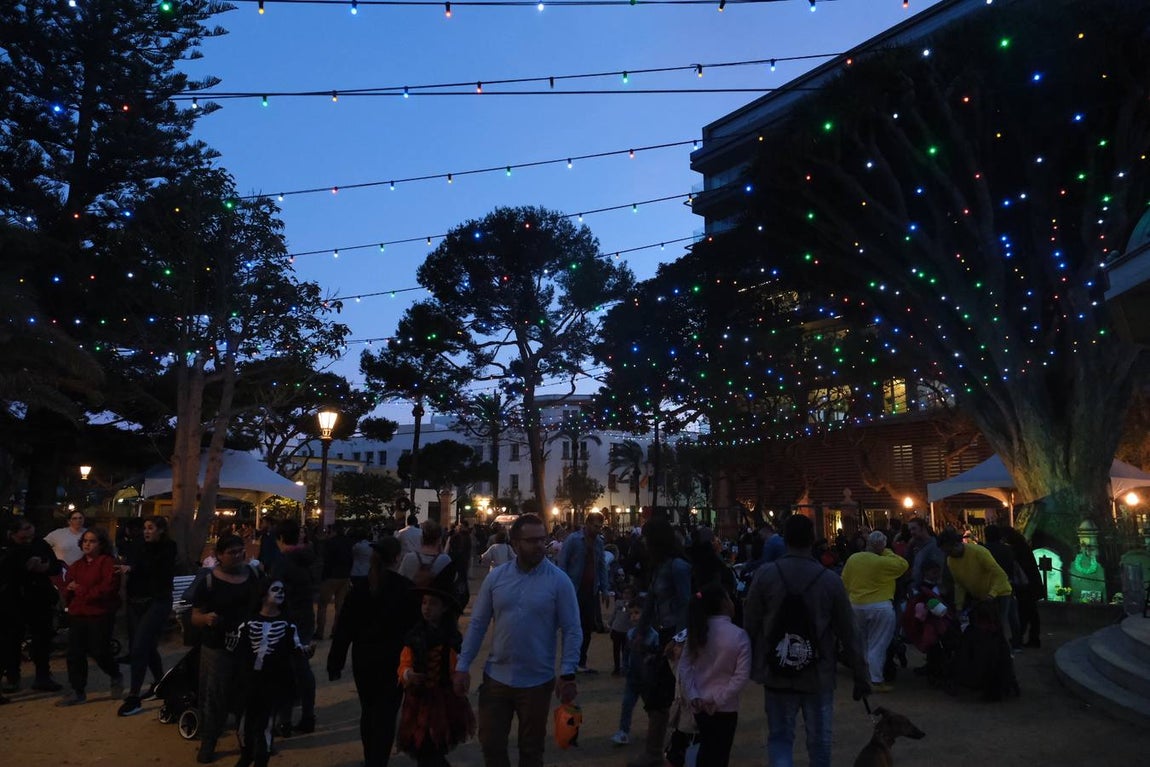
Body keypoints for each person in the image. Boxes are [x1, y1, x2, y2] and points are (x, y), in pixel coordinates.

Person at [451, 513, 582, 767]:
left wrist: (567, 672)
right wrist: (462, 665)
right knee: (490, 743)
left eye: (542, 540)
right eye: (531, 540)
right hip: (496, 678)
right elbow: (478, 624)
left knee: (531, 750)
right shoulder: (496, 578)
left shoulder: (559, 581)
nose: (539, 546)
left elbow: (572, 628)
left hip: (537, 681)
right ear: (515, 543)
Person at [743, 514, 869, 767]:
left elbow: (750, 624)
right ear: (812, 540)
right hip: (817, 672)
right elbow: (849, 632)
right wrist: (860, 673)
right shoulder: (830, 580)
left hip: (777, 669)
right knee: (820, 741)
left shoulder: (766, 575)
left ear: (784, 539)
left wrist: (751, 665)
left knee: (780, 737)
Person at [328, 536, 421, 767]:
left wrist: (336, 661)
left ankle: (371, 756)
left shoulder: (361, 588)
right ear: (397, 557)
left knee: (368, 710)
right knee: (386, 714)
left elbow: (344, 628)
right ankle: (378, 759)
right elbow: (415, 629)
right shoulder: (405, 588)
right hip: (394, 659)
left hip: (364, 657)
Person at [187, 534, 261, 764]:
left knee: (247, 694)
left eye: (240, 551)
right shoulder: (208, 581)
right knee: (214, 696)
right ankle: (209, 741)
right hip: (217, 647)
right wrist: (206, 618)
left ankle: (249, 742)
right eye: (232, 552)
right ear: (219, 555)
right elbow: (194, 616)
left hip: (249, 645)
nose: (238, 556)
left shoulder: (255, 575)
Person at [628, 516, 692, 767]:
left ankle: (658, 753)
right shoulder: (660, 566)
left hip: (676, 636)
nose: (642, 542)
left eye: (646, 537)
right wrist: (642, 631)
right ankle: (658, 752)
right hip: (666, 633)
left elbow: (686, 605)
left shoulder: (677, 567)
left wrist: (679, 639)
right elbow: (652, 603)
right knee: (659, 694)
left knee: (666, 695)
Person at [396, 586, 476, 767]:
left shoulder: (452, 638)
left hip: (444, 698)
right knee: (422, 746)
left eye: (433, 604)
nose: (427, 607)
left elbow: (458, 666)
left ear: (444, 608)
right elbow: (404, 662)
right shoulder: (414, 635)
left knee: (433, 746)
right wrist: (408, 674)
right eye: (424, 603)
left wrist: (460, 679)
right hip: (419, 698)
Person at [232, 578, 307, 767]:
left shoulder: (288, 625)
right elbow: (238, 651)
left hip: (273, 682)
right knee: (243, 725)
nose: (281, 593)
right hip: (249, 682)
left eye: (282, 590)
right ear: (263, 594)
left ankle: (261, 760)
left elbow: (297, 647)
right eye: (276, 589)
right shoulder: (247, 623)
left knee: (265, 725)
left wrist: (305, 651)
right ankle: (246, 754)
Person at [678, 583, 751, 767]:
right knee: (720, 754)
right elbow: (741, 676)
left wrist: (694, 695)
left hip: (699, 705)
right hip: (725, 707)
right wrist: (718, 699)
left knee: (706, 750)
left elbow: (684, 667)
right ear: (724, 604)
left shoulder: (697, 632)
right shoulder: (738, 635)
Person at [117, 516, 177, 716]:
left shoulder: (168, 547)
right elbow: (130, 561)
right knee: (148, 646)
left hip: (157, 601)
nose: (146, 531)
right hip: (137, 601)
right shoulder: (139, 545)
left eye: (150, 528)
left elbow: (157, 570)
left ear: (161, 530)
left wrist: (134, 568)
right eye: (145, 528)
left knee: (139, 647)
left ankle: (134, 697)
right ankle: (162, 684)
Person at [57, 526, 123, 706]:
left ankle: (115, 673)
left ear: (101, 544)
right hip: (78, 613)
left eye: (92, 541)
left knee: (99, 650)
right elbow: (67, 584)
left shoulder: (108, 563)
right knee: (75, 653)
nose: (87, 544)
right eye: (85, 541)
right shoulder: (77, 565)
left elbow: (107, 589)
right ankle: (77, 690)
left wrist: (82, 590)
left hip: (99, 614)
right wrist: (69, 590)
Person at [0, 518, 64, 693]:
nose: (29, 534)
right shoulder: (7, 548)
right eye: (24, 531)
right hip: (14, 600)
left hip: (39, 598)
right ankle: (13, 677)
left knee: (41, 639)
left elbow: (55, 566)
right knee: (12, 641)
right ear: (13, 534)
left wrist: (46, 567)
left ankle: (43, 676)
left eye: (30, 527)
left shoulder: (40, 544)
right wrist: (23, 567)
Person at [840, 529, 908, 692]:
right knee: (878, 644)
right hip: (880, 606)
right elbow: (903, 565)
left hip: (856, 604)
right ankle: (876, 679)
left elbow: (844, 582)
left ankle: (863, 675)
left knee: (862, 643)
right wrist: (886, 551)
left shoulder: (853, 559)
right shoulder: (883, 561)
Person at [268, 520, 318, 737]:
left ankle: (284, 720)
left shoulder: (282, 563)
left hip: (287, 621)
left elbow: (274, 593)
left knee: (285, 672)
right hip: (306, 617)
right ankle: (308, 715)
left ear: (280, 539)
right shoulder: (308, 558)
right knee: (302, 668)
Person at [555, 510, 610, 673]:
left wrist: (605, 588)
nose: (598, 529)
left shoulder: (599, 542)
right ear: (587, 524)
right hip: (574, 588)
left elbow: (601, 566)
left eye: (600, 526)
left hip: (591, 589)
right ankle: (569, 661)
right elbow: (562, 563)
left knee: (587, 627)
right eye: (595, 526)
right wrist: (562, 589)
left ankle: (581, 661)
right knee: (572, 626)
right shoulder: (573, 540)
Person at [937, 528, 1013, 637]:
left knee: (998, 626)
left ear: (956, 544)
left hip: (999, 593)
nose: (948, 555)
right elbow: (959, 584)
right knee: (984, 628)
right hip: (982, 596)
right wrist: (959, 606)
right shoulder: (951, 560)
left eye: (949, 551)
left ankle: (1004, 651)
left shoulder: (978, 552)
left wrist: (992, 594)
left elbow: (1000, 575)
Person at [611, 598, 658, 746]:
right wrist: (624, 665)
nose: (633, 617)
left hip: (647, 679)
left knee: (651, 707)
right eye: (631, 614)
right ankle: (623, 732)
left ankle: (655, 732)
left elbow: (657, 656)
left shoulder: (654, 636)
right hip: (633, 677)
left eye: (637, 613)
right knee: (627, 705)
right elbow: (626, 651)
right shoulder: (630, 634)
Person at [315, 525, 353, 640]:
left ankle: (320, 632)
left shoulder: (329, 543)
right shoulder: (348, 542)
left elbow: (325, 559)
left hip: (331, 576)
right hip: (344, 576)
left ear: (333, 531)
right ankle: (336, 631)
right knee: (340, 606)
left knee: (322, 605)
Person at [905, 517, 945, 590]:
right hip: (919, 589)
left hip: (929, 590)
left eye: (914, 528)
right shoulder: (916, 546)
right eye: (910, 530)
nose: (911, 532)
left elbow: (937, 571)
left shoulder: (934, 546)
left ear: (922, 527)